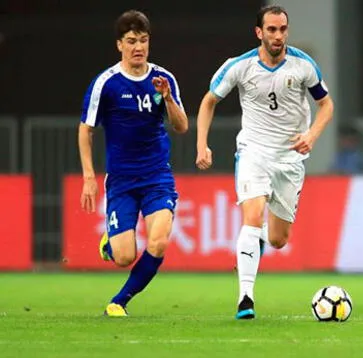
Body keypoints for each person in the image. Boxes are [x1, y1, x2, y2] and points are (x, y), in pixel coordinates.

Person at [194, 5, 334, 320]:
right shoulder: (239, 66)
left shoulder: (303, 65)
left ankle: (250, 250)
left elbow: (326, 105)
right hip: (253, 151)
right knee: (252, 216)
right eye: (271, 29)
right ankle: (246, 298)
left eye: (282, 29)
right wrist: (201, 144)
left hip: (290, 158)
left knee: (277, 239)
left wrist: (311, 135)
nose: (278, 35)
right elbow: (208, 101)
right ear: (259, 32)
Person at [78, 10, 189, 317]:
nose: (138, 47)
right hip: (122, 181)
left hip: (157, 177)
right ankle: (113, 242)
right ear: (119, 45)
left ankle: (119, 301)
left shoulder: (163, 79)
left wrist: (167, 98)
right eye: (131, 41)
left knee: (158, 243)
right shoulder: (107, 84)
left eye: (143, 40)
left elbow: (181, 127)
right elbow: (85, 129)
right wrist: (89, 176)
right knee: (125, 256)